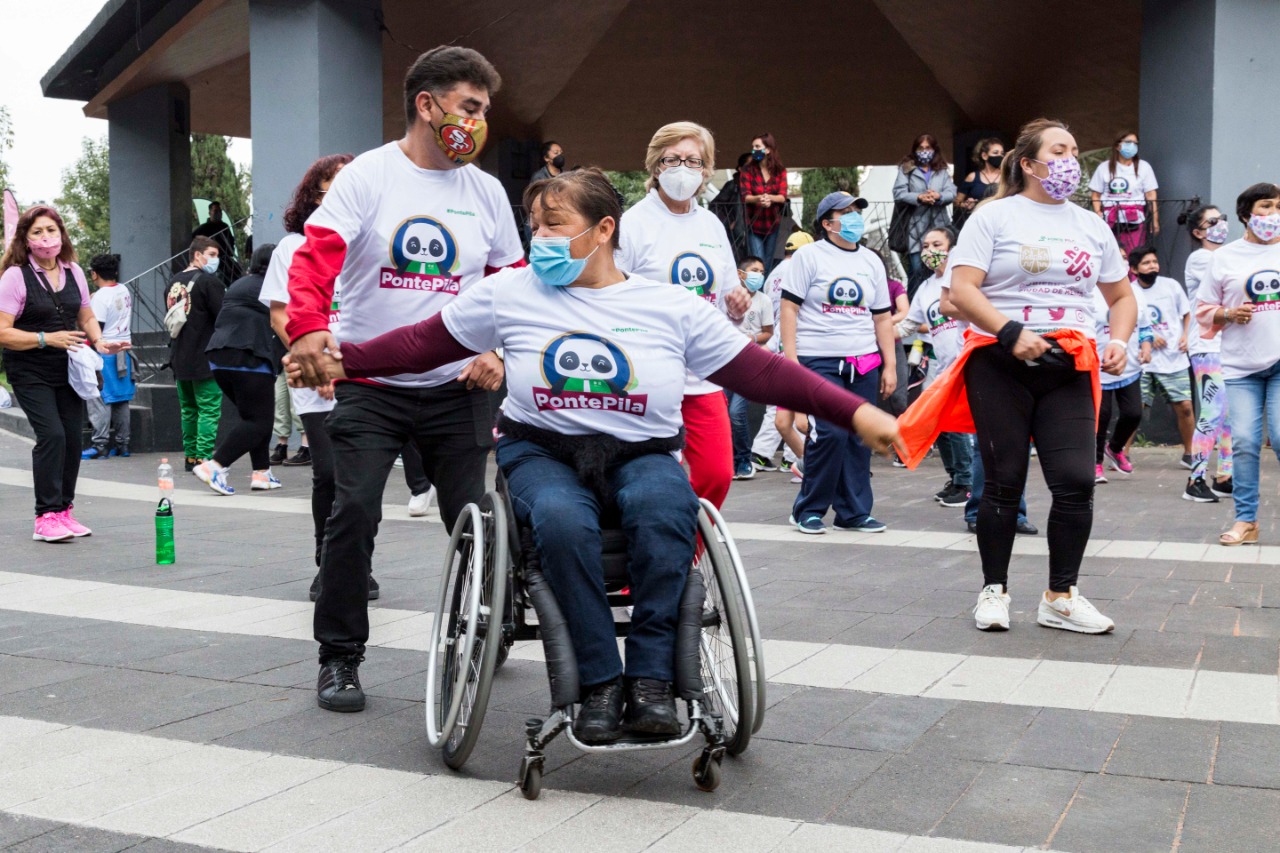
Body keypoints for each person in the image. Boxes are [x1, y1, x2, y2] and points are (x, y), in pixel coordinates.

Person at [287, 168, 902, 742]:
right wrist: (345, 361)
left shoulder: (668, 306)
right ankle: (599, 684)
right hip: (542, 452)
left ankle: (653, 681)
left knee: (666, 512)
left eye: (554, 226)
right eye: (534, 226)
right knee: (560, 523)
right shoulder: (509, 293)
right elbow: (422, 344)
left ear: (604, 229)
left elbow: (762, 373)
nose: (540, 239)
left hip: (642, 452)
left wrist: (854, 412)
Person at [286, 47, 523, 712]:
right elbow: (316, 259)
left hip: (459, 387)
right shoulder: (369, 177)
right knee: (353, 510)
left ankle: (489, 623)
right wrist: (307, 329)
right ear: (427, 104)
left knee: (475, 519)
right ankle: (339, 657)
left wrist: (498, 350)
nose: (477, 122)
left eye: (484, 110)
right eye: (469, 107)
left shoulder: (486, 192)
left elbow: (511, 281)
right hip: (371, 384)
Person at [898, 118, 1137, 634]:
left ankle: (1060, 597)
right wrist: (1009, 331)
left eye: (1074, 151)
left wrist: (1118, 342)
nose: (1070, 161)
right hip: (999, 362)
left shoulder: (1091, 225)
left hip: (1068, 362)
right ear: (1028, 163)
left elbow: (1121, 297)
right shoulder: (993, 215)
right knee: (1003, 481)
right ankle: (994, 589)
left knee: (1076, 481)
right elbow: (961, 291)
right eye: (1059, 151)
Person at [615, 121, 750, 510]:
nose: (683, 168)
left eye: (693, 161)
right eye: (672, 159)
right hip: (648, 374)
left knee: (716, 474)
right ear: (656, 166)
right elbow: (611, 296)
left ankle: (688, 544)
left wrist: (736, 308)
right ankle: (661, 538)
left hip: (701, 374)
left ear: (706, 170)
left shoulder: (711, 224)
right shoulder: (633, 224)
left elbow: (726, 298)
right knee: (656, 480)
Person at [0, 205, 129, 541]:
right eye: (37, 232)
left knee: (72, 439)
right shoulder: (15, 276)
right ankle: (45, 516)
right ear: (26, 239)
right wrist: (45, 338)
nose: (46, 238)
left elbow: (86, 316)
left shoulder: (73, 272)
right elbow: (2, 331)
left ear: (61, 235)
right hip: (29, 369)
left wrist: (100, 342)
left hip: (68, 367)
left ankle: (63, 511)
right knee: (52, 436)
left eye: (51, 230)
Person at [780, 191, 897, 534]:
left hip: (863, 360)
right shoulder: (809, 256)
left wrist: (889, 365)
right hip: (819, 358)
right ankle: (808, 509)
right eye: (845, 212)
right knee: (829, 433)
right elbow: (789, 308)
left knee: (860, 436)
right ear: (827, 223)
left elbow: (882, 317)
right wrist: (791, 361)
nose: (853, 217)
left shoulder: (871, 261)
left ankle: (854, 513)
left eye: (856, 210)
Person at [1195, 182, 1280, 546]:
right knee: (1244, 441)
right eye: (1266, 206)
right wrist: (1228, 313)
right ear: (1246, 214)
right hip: (1241, 368)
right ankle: (1247, 520)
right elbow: (1203, 309)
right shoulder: (1224, 257)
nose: (1274, 214)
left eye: (1279, 207)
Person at [193, 243, 283, 495]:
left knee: (254, 417)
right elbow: (285, 321)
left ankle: (262, 473)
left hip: (219, 356)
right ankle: (215, 466)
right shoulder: (273, 287)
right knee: (260, 421)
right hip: (249, 356)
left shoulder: (240, 284)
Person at [901, 227, 969, 506]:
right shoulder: (926, 288)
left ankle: (966, 482)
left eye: (937, 245)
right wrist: (875, 333)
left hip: (966, 361)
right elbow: (908, 324)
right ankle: (955, 478)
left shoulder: (964, 277)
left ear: (952, 248)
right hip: (943, 368)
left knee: (956, 425)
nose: (930, 251)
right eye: (926, 246)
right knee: (940, 425)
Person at [1180, 203, 1233, 502]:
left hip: (1226, 345)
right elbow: (1229, 285)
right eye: (1212, 221)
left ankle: (1224, 476)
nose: (1220, 224)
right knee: (1213, 411)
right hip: (1206, 345)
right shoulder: (1201, 258)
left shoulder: (1225, 256)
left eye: (1221, 218)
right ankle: (1195, 480)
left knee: (1228, 413)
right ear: (1198, 232)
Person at [751, 230, 812, 474]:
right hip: (797, 342)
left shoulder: (773, 275)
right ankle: (791, 458)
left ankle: (762, 453)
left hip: (778, 341)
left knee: (777, 409)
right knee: (800, 409)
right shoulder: (802, 269)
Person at [1127, 246, 1194, 467]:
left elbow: (1187, 314)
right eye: (1146, 263)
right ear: (1134, 269)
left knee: (1185, 407)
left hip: (1174, 359)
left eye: (1154, 262)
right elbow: (1124, 321)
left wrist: (1186, 336)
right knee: (1134, 410)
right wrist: (1148, 336)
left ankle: (1190, 454)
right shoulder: (1128, 292)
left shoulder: (1171, 286)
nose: (1152, 266)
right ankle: (1121, 454)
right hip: (1141, 361)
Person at [167, 236, 226, 471]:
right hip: (204, 356)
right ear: (197, 255)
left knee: (189, 410)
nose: (216, 260)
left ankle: (190, 457)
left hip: (179, 355)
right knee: (208, 409)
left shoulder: (173, 282)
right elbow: (223, 317)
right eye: (211, 254)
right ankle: (203, 458)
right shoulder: (209, 282)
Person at [1094, 269, 1152, 484]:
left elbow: (1145, 326)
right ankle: (1095, 462)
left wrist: (1146, 346)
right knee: (1102, 416)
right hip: (1100, 366)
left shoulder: (1135, 293)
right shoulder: (1091, 292)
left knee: (1133, 413)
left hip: (1129, 366)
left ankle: (1115, 448)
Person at [727, 255, 774, 480]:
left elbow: (768, 332)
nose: (759, 275)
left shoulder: (764, 301)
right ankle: (730, 461)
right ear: (740, 273)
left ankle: (744, 460)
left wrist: (752, 338)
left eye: (762, 272)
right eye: (755, 270)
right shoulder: (729, 296)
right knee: (724, 413)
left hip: (750, 361)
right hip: (725, 360)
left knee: (737, 412)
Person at [83, 253, 134, 460]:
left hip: (105, 353)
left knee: (99, 398)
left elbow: (96, 329)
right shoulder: (124, 290)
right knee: (121, 400)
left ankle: (100, 445)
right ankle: (123, 445)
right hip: (124, 351)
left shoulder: (100, 297)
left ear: (94, 274)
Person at [892, 134, 957, 281]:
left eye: (928, 148)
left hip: (939, 224)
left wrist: (939, 196)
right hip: (915, 225)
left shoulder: (941, 170)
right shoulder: (907, 169)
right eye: (921, 148)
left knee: (940, 266)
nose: (924, 151)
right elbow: (899, 193)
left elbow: (951, 192)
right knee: (916, 268)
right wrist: (919, 197)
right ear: (915, 150)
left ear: (934, 149)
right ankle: (914, 295)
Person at [1089, 131, 1159, 255]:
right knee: (1111, 253)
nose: (1132, 146)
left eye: (1135, 143)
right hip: (1110, 219)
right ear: (1117, 146)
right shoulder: (1104, 167)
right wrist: (1098, 212)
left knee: (1135, 253)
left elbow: (1151, 195)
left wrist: (1155, 219)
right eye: (1128, 142)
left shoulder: (1144, 167)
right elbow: (1096, 194)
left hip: (1135, 218)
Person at [738, 133, 788, 272]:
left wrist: (769, 198)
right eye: (753, 147)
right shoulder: (747, 169)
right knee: (758, 260)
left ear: (768, 149)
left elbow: (782, 196)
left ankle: (766, 285)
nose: (754, 150)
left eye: (757, 146)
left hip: (773, 223)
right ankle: (759, 285)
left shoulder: (780, 170)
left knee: (768, 260)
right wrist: (760, 198)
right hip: (753, 223)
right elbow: (745, 196)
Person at [953, 138, 1004, 229]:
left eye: (1002, 153)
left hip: (1001, 222)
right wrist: (966, 204)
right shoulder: (972, 177)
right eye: (995, 153)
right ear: (984, 156)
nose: (1000, 156)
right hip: (978, 223)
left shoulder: (1006, 177)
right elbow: (957, 202)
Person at [269, 377, 309, 466]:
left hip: (298, 368)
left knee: (297, 403)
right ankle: (281, 446)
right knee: (280, 404)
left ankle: (306, 447)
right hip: (280, 369)